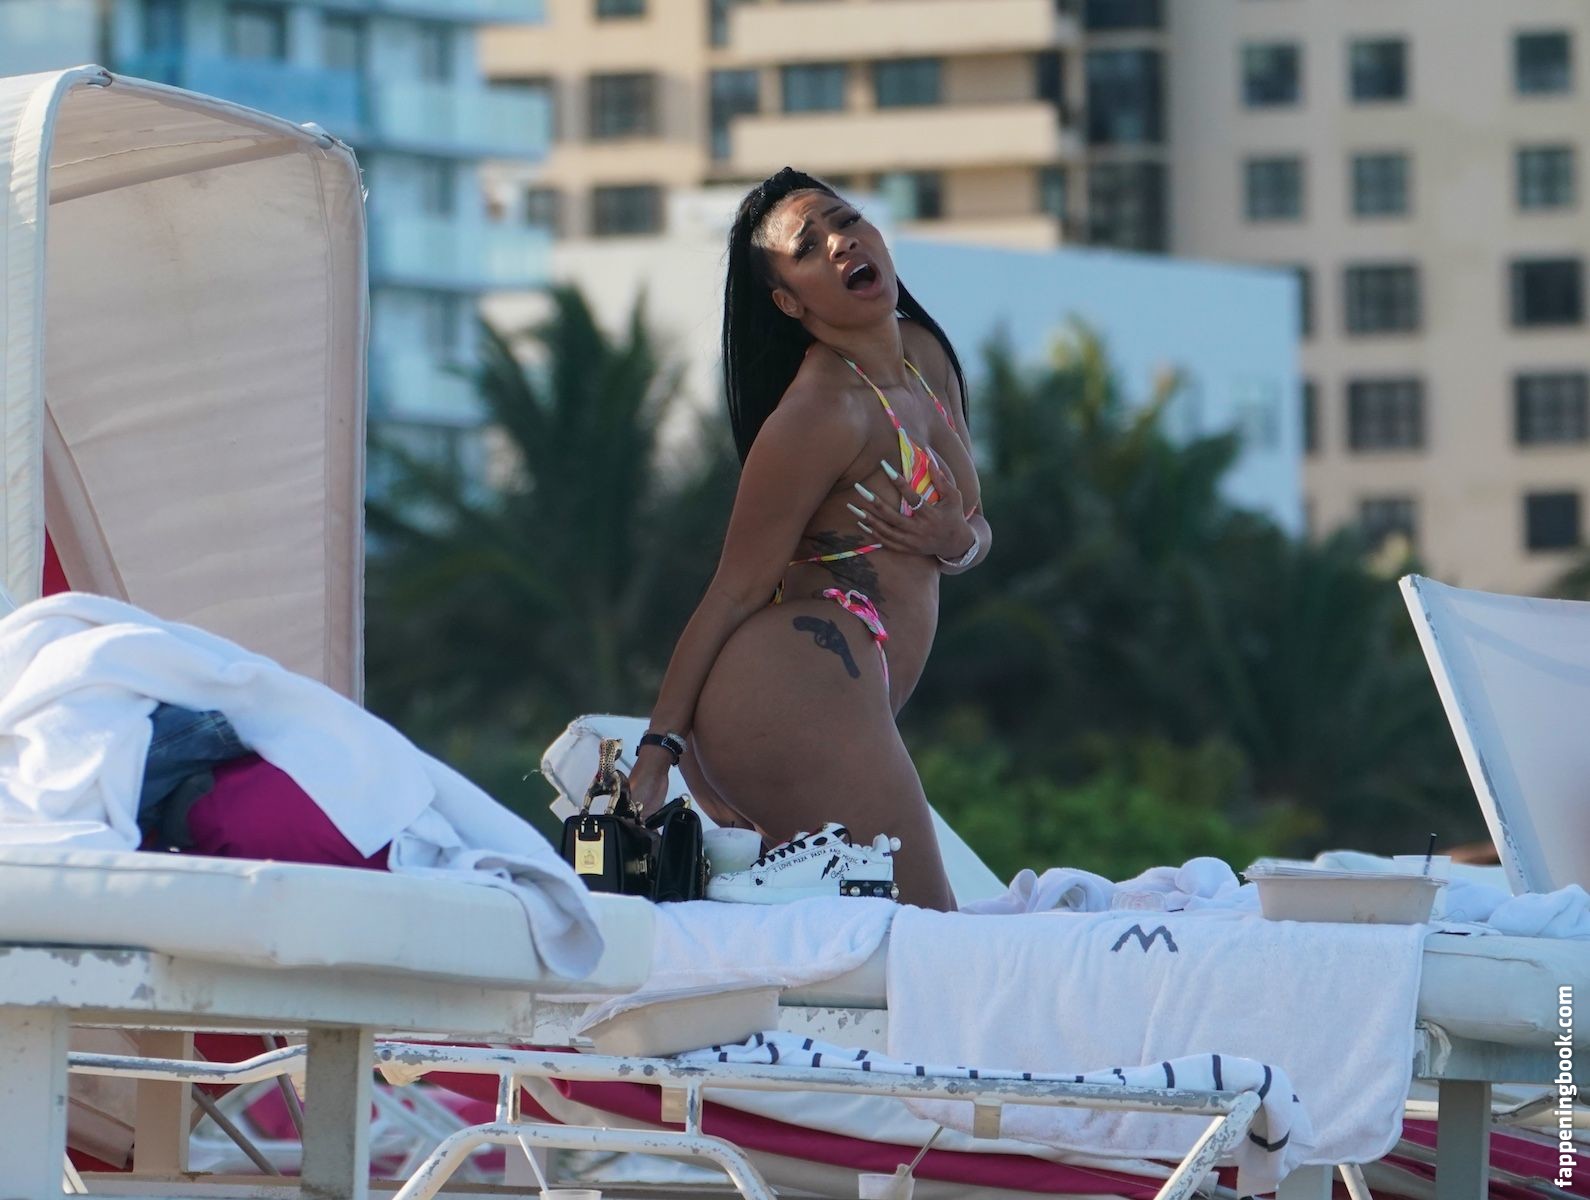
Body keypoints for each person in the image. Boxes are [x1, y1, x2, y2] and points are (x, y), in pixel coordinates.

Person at [627, 168, 991, 911]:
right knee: (930, 927)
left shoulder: (924, 357)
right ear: (789, 302)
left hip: (846, 692)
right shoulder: (820, 413)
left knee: (896, 935)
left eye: (846, 220)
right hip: (793, 687)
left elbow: (974, 529)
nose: (840, 243)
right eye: (808, 246)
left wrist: (955, 540)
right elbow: (735, 589)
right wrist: (661, 749)